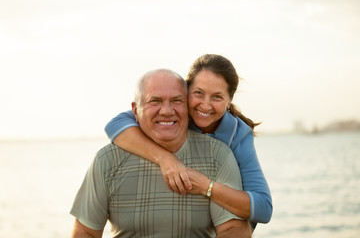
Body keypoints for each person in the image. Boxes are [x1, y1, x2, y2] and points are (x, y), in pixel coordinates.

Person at [70, 69, 252, 238]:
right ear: (135, 110)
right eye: (154, 101)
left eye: (176, 101)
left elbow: (233, 228)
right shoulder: (108, 160)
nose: (166, 111)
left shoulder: (218, 155)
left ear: (187, 106)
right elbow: (86, 232)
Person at [105, 54, 272, 228]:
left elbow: (264, 208)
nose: (205, 106)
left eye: (217, 97)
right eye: (198, 93)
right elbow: (115, 124)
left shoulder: (238, 134)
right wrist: (164, 158)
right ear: (186, 91)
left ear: (229, 101)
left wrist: (206, 187)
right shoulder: (173, 115)